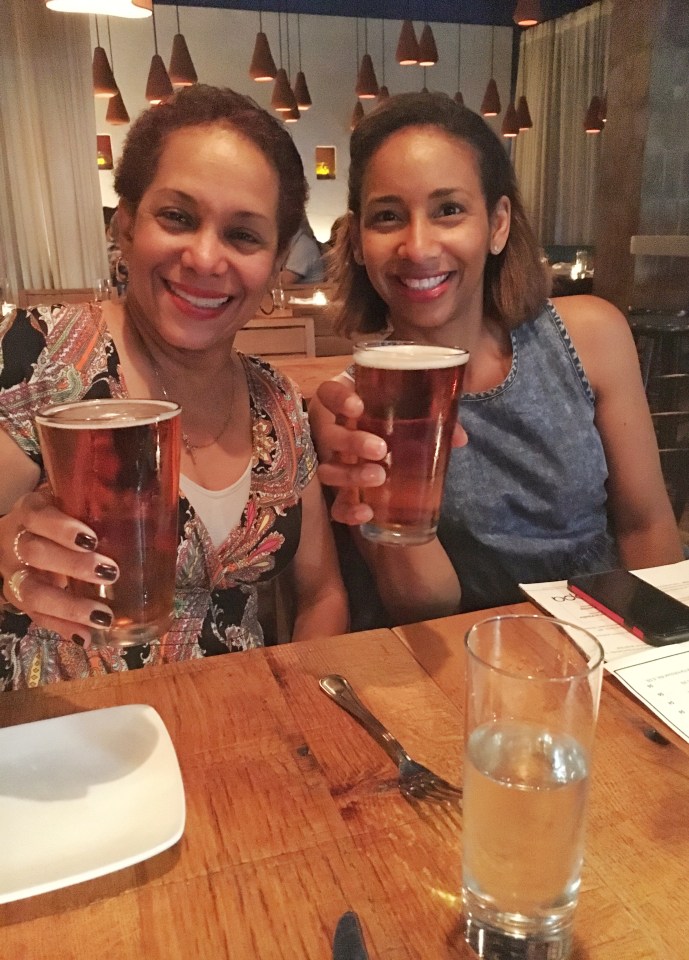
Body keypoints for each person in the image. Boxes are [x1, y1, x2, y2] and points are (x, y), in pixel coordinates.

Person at [0, 85, 348, 689]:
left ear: (274, 263)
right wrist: (9, 558)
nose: (206, 258)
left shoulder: (279, 403)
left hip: (237, 738)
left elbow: (321, 596)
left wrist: (299, 714)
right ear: (126, 223)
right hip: (56, 742)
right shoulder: (44, 350)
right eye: (178, 217)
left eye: (244, 235)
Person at [309, 91, 683, 624]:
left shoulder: (591, 334)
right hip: (471, 659)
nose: (417, 246)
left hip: (611, 641)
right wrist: (383, 497)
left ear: (498, 223)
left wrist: (662, 649)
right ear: (358, 240)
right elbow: (424, 605)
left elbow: (646, 527)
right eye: (387, 216)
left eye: (449, 210)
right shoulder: (348, 406)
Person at [280, 215, 325, 285]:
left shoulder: (303, 245)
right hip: (301, 294)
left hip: (308, 294)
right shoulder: (293, 242)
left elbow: (285, 281)